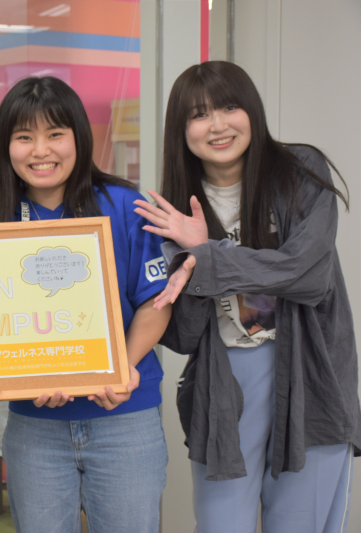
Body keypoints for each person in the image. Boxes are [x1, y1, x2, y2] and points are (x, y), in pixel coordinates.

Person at [134, 60, 359, 533]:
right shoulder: (173, 212)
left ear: (251, 110)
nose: (217, 125)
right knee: (222, 524)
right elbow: (184, 335)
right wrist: (190, 261)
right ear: (182, 130)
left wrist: (207, 255)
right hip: (225, 383)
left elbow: (307, 274)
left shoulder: (299, 171)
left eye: (229, 107)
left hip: (310, 374)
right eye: (199, 114)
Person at [0, 76, 170, 533]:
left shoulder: (126, 206)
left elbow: (156, 302)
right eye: (24, 137)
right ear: (7, 146)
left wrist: (122, 368)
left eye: (55, 134)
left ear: (79, 137)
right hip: (35, 426)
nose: (40, 150)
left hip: (124, 416)